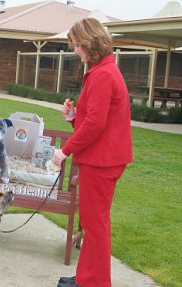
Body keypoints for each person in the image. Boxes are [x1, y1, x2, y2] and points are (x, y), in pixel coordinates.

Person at [53, 18, 133, 287]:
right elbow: (94, 121)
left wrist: (64, 151)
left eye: (76, 45)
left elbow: (96, 125)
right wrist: (73, 117)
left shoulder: (103, 75)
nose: (74, 51)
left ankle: (94, 282)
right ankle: (89, 277)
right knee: (93, 222)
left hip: (102, 162)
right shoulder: (102, 71)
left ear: (89, 43)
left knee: (95, 225)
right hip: (102, 158)